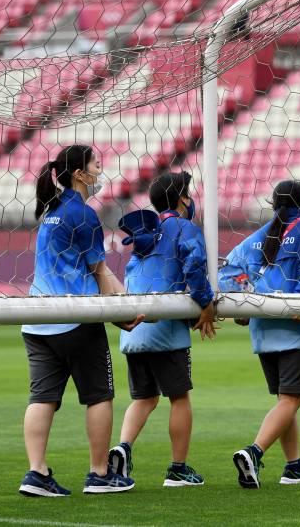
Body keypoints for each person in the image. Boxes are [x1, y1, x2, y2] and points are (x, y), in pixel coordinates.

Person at [19, 144, 142, 497]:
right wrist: (124, 312)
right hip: (76, 318)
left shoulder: (51, 210)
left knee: (41, 397)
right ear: (79, 173)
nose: (100, 170)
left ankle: (36, 473)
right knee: (99, 395)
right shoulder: (84, 215)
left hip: (36, 318)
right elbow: (100, 271)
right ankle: (99, 473)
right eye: (96, 165)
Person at [107, 172, 217, 488]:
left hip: (133, 327)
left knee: (144, 398)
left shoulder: (145, 231)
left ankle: (123, 448)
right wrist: (205, 302)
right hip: (164, 328)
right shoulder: (183, 227)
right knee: (179, 398)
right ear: (183, 198)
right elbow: (193, 264)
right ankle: (178, 468)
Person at [220, 180, 300, 489]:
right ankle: (255, 451)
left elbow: (228, 272)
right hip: (295, 328)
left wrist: (245, 300)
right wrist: (298, 303)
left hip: (263, 330)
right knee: (292, 400)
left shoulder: (256, 237)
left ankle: (294, 466)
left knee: (284, 400)